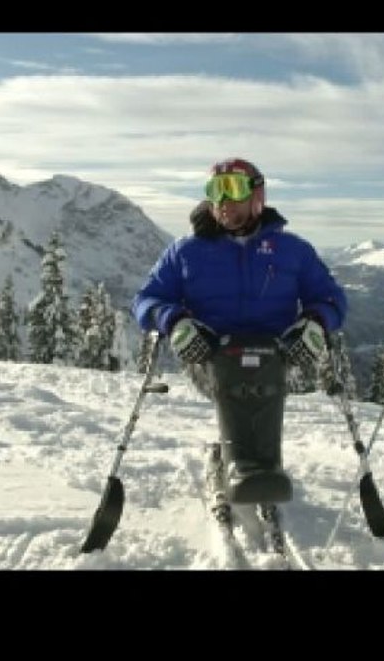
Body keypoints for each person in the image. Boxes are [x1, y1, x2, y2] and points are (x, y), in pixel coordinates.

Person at [131, 157, 347, 517]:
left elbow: (330, 298)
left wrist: (316, 323)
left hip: (277, 354)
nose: (222, 201)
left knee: (261, 380)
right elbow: (147, 299)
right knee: (233, 377)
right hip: (208, 352)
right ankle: (239, 463)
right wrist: (174, 321)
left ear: (256, 195)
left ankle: (260, 463)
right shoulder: (186, 252)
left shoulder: (292, 250)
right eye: (214, 190)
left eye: (232, 189)